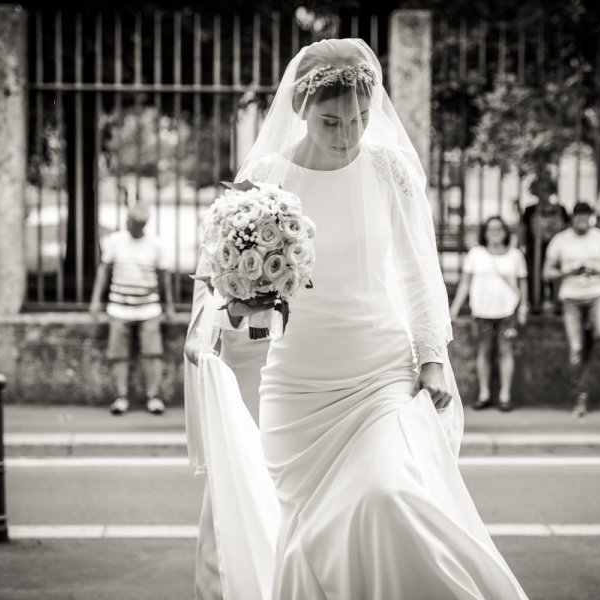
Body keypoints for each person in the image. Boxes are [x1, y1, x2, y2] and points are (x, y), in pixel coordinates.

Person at [185, 39, 527, 599]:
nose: (348, 133)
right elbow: (216, 283)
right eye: (332, 121)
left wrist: (433, 357)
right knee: (314, 537)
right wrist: (228, 312)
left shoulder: (389, 169)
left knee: (387, 497)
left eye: (361, 118)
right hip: (298, 390)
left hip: (381, 375)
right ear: (300, 110)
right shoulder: (265, 179)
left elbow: (419, 272)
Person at [184, 281, 270, 600]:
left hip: (300, 353)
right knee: (238, 473)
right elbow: (197, 333)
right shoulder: (220, 238)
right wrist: (231, 313)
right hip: (240, 364)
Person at [89, 203, 174, 416]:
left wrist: (169, 306)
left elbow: (165, 277)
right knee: (118, 353)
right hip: (119, 307)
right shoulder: (116, 241)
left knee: (153, 353)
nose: (128, 225)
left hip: (148, 308)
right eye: (127, 221)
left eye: (133, 223)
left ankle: (153, 396)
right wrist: (95, 301)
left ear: (142, 225)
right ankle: (121, 396)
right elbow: (104, 271)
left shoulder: (156, 245)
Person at [543, 201, 600, 418]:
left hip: (597, 295)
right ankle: (580, 397)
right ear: (572, 219)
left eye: (586, 218)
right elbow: (547, 273)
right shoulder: (561, 240)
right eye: (578, 218)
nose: (582, 222)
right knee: (576, 350)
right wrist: (568, 271)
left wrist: (598, 269)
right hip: (571, 298)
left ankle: (591, 331)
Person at [450, 216, 529, 411]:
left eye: (499, 229)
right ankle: (484, 394)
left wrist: (524, 306)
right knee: (483, 351)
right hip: (482, 310)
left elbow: (523, 283)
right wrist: (455, 307)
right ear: (484, 233)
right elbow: (465, 283)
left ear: (505, 232)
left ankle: (505, 395)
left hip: (508, 311)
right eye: (491, 229)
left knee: (505, 352)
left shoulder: (515, 255)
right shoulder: (476, 254)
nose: (495, 233)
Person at [521, 170, 569, 313]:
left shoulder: (561, 209)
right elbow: (522, 230)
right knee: (535, 280)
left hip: (557, 252)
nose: (543, 193)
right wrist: (522, 246)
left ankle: (559, 306)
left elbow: (567, 231)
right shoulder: (530, 210)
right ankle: (536, 306)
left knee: (557, 280)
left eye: (546, 189)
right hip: (534, 251)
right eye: (540, 190)